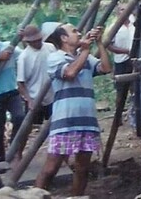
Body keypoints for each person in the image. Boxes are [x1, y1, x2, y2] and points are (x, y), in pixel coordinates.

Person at [35, 23, 111, 196]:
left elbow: (106, 68)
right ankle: (34, 195)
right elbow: (70, 73)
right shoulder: (55, 58)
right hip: (66, 122)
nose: (79, 33)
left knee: (82, 168)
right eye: (74, 31)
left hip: (87, 121)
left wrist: (99, 43)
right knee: (51, 167)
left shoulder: (86, 58)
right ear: (63, 38)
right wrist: (85, 50)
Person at [15, 25, 56, 156]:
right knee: (27, 128)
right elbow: (20, 83)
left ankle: (58, 155)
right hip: (35, 96)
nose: (37, 43)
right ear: (28, 42)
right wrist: (29, 100)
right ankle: (19, 154)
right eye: (34, 41)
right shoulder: (24, 57)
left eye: (38, 39)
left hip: (52, 95)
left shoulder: (50, 48)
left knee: (56, 127)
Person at [0, 27, 25, 168]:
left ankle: (14, 147)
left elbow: (24, 57)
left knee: (19, 117)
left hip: (12, 91)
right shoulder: (2, 53)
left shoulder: (8, 47)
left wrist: (23, 40)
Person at [107, 4, 136, 126]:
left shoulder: (134, 24)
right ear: (117, 13)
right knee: (120, 92)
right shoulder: (114, 27)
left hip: (135, 60)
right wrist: (126, 51)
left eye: (126, 9)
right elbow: (108, 45)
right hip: (121, 61)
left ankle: (135, 116)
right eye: (121, 9)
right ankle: (117, 117)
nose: (124, 11)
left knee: (135, 89)